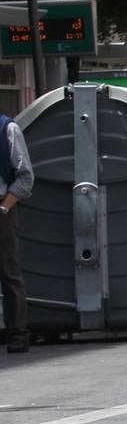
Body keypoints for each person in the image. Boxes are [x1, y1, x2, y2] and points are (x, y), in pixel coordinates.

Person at [0, 114, 33, 353]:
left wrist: (4, 206)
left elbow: (25, 176)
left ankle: (18, 335)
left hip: (3, 208)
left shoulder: (8, 129)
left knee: (9, 274)